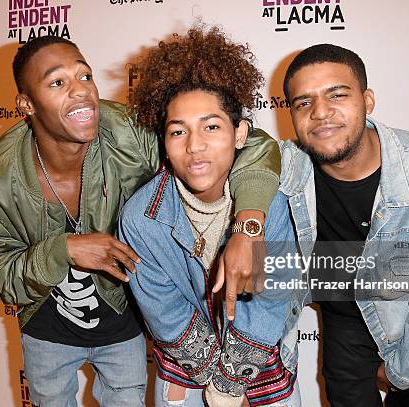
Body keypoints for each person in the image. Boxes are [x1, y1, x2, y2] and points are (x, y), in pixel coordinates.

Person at [0, 35, 282, 407]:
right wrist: (62, 249)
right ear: (26, 104)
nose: (80, 92)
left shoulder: (129, 132)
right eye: (57, 82)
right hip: (45, 330)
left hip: (123, 323)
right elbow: (1, 277)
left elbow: (248, 144)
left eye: (85, 76)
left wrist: (249, 227)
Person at [119, 26, 307, 407]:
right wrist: (213, 379)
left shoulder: (270, 199)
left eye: (211, 126)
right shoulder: (141, 217)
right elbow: (162, 310)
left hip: (264, 371)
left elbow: (274, 295)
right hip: (185, 376)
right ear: (164, 142)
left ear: (240, 134)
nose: (195, 145)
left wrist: (232, 379)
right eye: (177, 131)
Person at [276, 44, 409, 406]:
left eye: (337, 94)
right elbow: (232, 155)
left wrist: (405, 370)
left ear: (368, 100)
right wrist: (246, 228)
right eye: (303, 103)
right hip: (343, 320)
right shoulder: (285, 167)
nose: (320, 113)